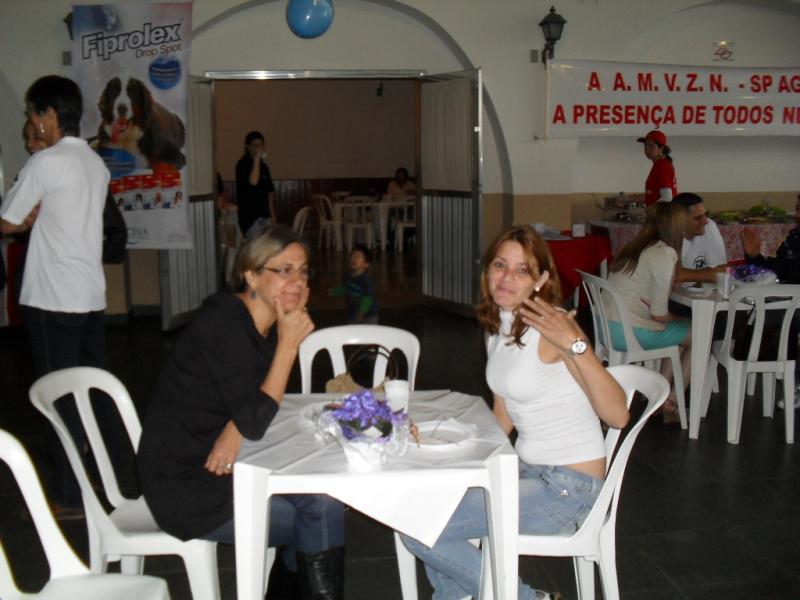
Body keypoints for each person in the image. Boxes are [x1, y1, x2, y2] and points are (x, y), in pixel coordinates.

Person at [401, 225, 629, 600]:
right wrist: (450, 452)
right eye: (500, 265)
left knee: (420, 526)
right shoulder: (499, 325)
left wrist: (575, 343)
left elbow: (618, 415)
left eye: (522, 270)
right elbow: (503, 415)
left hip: (569, 489)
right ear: (487, 270)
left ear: (540, 280)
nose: (507, 277)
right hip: (525, 471)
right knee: (429, 504)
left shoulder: (555, 328)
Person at [137, 224, 345, 600]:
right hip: (187, 487)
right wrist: (288, 346)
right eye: (284, 270)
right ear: (250, 275)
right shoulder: (223, 322)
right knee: (320, 512)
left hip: (229, 463)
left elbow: (251, 408)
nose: (298, 281)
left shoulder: (263, 323)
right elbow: (255, 416)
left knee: (321, 499)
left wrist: (236, 427)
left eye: (303, 271)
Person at [0, 75, 109, 518]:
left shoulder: (46, 162)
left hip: (53, 298)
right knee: (87, 396)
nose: (31, 121)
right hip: (89, 297)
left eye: (33, 112)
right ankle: (94, 483)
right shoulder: (95, 163)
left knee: (56, 399)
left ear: (48, 115)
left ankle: (67, 497)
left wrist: (25, 218)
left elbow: (8, 221)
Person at [607, 203, 691, 423]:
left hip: (606, 326)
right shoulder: (663, 254)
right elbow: (659, 315)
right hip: (628, 331)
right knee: (700, 333)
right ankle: (670, 400)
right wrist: (683, 319)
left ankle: (660, 397)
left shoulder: (633, 248)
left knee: (679, 333)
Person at [742, 194, 800, 284]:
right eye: (798, 209)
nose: (797, 215)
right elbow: (775, 271)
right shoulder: (792, 239)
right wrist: (754, 257)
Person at [671, 192, 728, 284]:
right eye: (698, 218)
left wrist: (686, 275)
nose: (705, 221)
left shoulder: (709, 226)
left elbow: (720, 270)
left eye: (705, 214)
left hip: (703, 290)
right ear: (680, 220)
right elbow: (671, 275)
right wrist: (708, 274)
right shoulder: (667, 234)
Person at [235, 130, 277, 236]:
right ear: (248, 147)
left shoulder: (264, 167)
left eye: (261, 145)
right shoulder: (242, 165)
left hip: (265, 216)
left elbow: (270, 194)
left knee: (268, 245)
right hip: (250, 219)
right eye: (255, 146)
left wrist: (273, 217)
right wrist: (257, 158)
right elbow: (253, 182)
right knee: (256, 245)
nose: (259, 149)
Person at [329, 243, 378, 324]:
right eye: (353, 255)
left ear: (366, 264)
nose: (354, 258)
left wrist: (361, 312)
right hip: (353, 313)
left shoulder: (366, 281)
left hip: (368, 316)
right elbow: (347, 289)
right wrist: (336, 291)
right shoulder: (348, 276)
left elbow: (367, 298)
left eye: (358, 257)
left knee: (367, 331)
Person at [637, 129, 677, 206]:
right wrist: (629, 198)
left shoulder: (662, 166)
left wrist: (651, 210)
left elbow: (667, 197)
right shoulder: (659, 165)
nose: (647, 149)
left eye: (651, 146)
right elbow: (653, 195)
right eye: (645, 145)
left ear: (661, 148)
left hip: (663, 212)